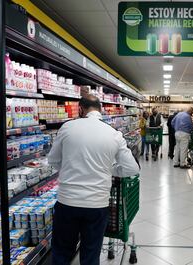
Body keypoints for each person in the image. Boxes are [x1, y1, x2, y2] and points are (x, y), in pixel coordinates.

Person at [48, 95, 140, 265]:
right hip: (97, 205)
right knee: (91, 254)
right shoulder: (114, 134)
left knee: (61, 251)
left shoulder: (67, 127)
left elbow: (53, 161)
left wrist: (71, 168)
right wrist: (108, 169)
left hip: (68, 201)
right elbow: (132, 168)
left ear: (80, 109)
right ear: (101, 109)